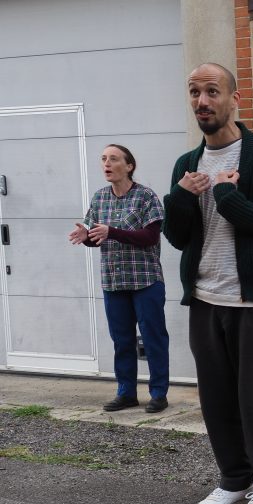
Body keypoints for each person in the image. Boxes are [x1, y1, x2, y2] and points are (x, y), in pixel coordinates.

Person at [162, 63, 253, 504]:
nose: (202, 101)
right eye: (194, 92)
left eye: (212, 92)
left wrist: (228, 199)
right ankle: (234, 480)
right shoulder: (187, 164)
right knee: (216, 398)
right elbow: (178, 237)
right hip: (204, 299)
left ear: (233, 98)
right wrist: (181, 197)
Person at [69, 145, 170, 413]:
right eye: (103, 159)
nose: (107, 163)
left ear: (129, 166)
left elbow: (150, 237)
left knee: (153, 338)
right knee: (121, 340)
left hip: (145, 280)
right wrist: (86, 237)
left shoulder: (146, 196)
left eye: (113, 159)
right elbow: (98, 236)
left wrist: (112, 231)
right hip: (114, 281)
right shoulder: (100, 197)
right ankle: (126, 393)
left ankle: (159, 393)